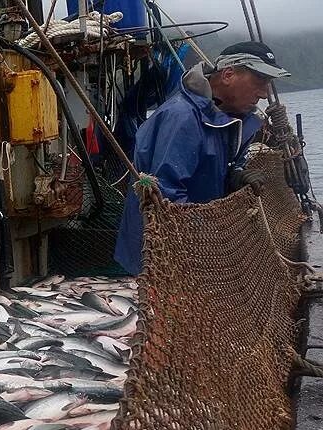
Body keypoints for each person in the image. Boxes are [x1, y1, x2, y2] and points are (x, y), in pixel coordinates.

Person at [114, 41, 290, 275]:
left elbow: (221, 167)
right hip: (157, 258)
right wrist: (210, 237)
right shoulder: (182, 118)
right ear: (228, 74)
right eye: (259, 81)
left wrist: (235, 178)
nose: (265, 93)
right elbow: (164, 196)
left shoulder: (237, 118)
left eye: (268, 84)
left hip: (194, 248)